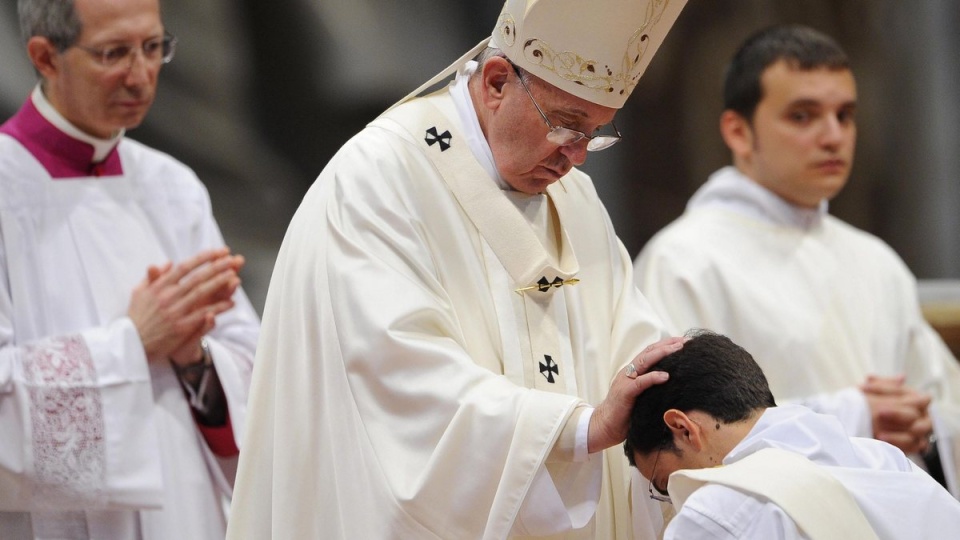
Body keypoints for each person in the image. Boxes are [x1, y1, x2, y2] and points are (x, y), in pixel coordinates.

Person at [227, 1, 688, 538]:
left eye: (596, 134)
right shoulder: (378, 179)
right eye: (566, 127)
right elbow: (397, 378)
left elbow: (627, 337)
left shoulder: (576, 199)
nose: (577, 158)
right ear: (496, 82)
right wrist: (578, 429)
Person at [633, 24, 960, 497]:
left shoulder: (875, 261)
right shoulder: (684, 261)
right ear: (738, 131)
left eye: (845, 116)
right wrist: (852, 416)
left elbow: (941, 404)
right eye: (803, 116)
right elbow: (680, 433)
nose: (833, 137)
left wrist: (924, 426)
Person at [0, 0, 261, 538]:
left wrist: (196, 359)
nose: (141, 77)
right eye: (113, 53)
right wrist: (132, 341)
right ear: (45, 57)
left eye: (152, 48)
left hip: (188, 513)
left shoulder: (174, 188)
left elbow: (254, 373)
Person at [625, 330, 960, 539]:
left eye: (663, 483)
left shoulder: (716, 513)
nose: (672, 498)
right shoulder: (885, 462)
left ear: (683, 429)